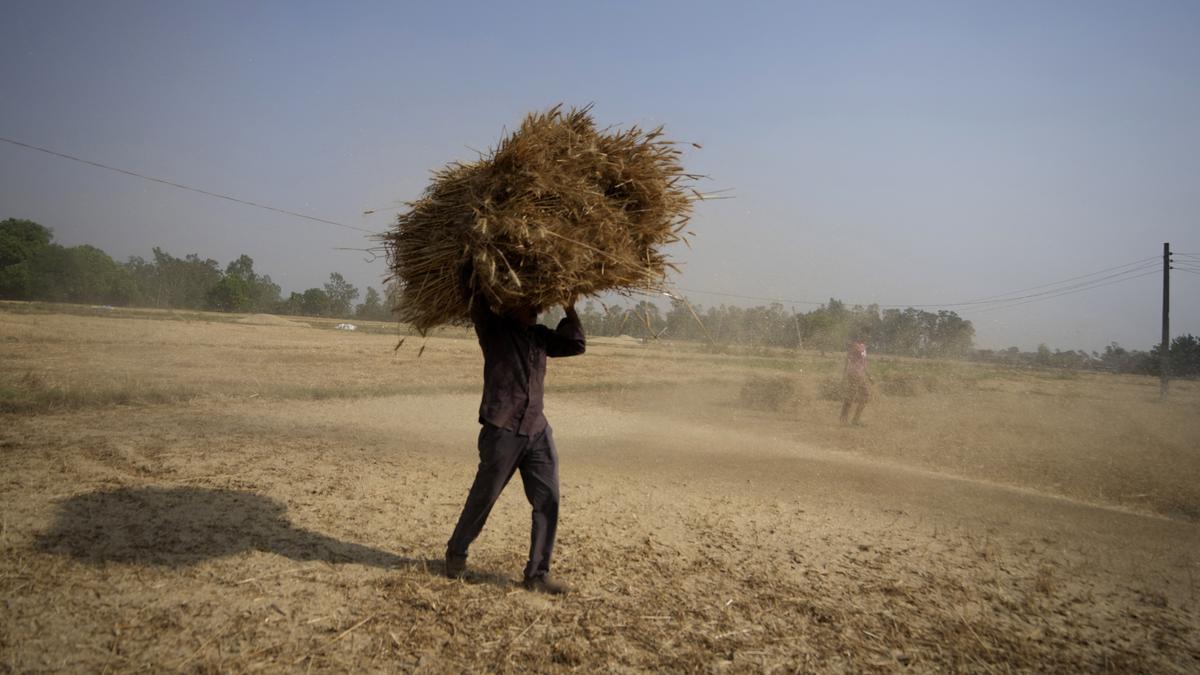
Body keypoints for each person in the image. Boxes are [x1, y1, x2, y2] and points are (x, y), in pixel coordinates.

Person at [444, 291, 586, 594]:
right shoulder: (494, 330)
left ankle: (537, 574)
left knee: (548, 499)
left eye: (536, 303)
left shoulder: (540, 337)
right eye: (527, 302)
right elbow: (474, 297)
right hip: (502, 428)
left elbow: (576, 344)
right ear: (510, 303)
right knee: (485, 496)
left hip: (537, 429)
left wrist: (569, 307)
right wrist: (478, 259)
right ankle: (456, 553)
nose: (534, 308)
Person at [840, 335, 872, 426]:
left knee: (865, 396)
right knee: (851, 396)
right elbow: (849, 357)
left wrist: (869, 376)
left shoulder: (862, 347)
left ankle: (854, 420)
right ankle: (844, 420)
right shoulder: (856, 346)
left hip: (859, 375)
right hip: (854, 375)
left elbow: (863, 363)